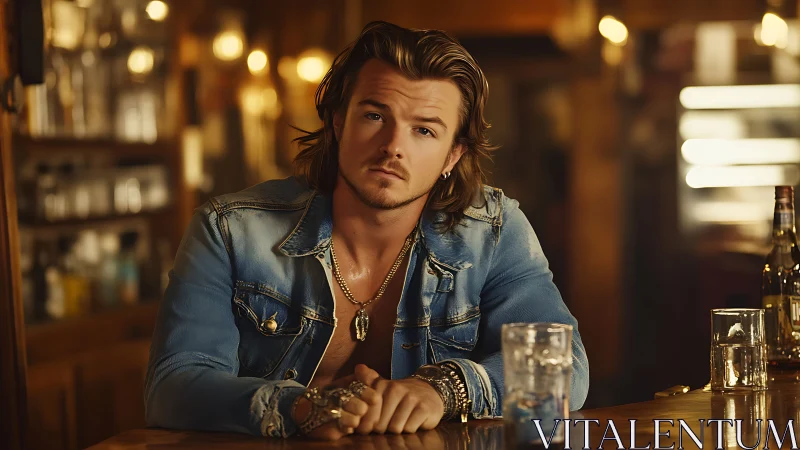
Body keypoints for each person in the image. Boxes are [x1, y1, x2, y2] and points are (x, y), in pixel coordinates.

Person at [145, 20, 589, 441]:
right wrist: (301, 409)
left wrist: (444, 390)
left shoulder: (491, 232)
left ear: (453, 155)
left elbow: (565, 366)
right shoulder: (230, 231)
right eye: (375, 116)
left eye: (424, 131)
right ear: (339, 123)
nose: (393, 146)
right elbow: (174, 385)